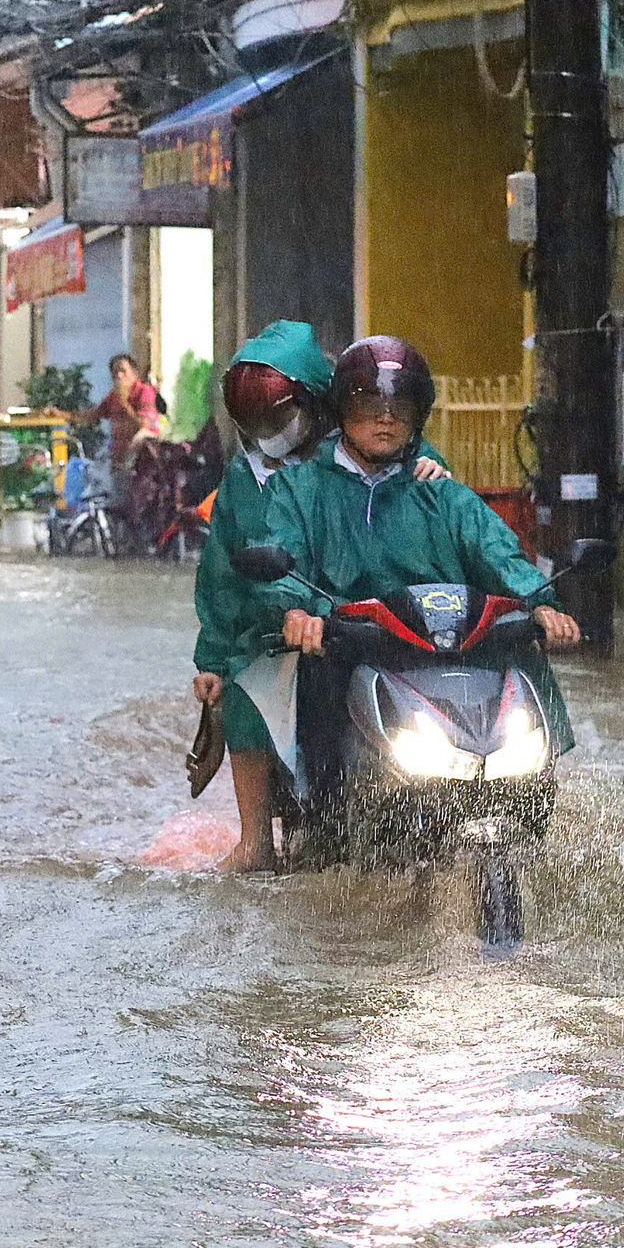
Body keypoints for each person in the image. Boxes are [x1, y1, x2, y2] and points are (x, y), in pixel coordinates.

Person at [253, 335, 582, 777]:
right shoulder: (298, 489)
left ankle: (533, 789)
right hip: (351, 643)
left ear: (417, 418)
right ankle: (326, 821)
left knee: (521, 651)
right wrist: (296, 611)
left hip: (446, 641)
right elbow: (283, 559)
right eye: (368, 406)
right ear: (341, 413)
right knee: (316, 682)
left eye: (399, 408)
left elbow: (498, 553)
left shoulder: (440, 491)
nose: (385, 419)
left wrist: (541, 603)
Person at [191, 321, 450, 873]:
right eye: (256, 421)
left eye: (280, 417)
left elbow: (404, 456)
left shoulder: (353, 449)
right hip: (281, 627)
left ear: (313, 401)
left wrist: (430, 466)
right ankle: (257, 840)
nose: (271, 433)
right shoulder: (243, 478)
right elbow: (220, 575)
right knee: (243, 691)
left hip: (371, 616)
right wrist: (212, 659)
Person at [87, 353, 164, 463]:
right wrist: (63, 414)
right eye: (115, 373)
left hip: (142, 459)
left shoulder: (144, 392)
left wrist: (124, 403)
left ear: (134, 373)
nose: (119, 375)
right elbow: (96, 414)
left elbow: (144, 426)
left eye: (123, 371)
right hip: (118, 457)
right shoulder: (113, 396)